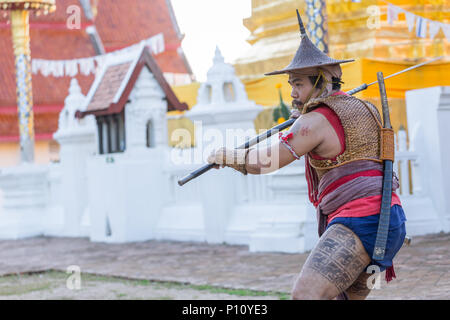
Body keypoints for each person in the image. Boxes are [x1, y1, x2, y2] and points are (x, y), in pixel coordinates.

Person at [207, 11, 406, 300]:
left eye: (299, 83)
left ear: (322, 81)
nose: (293, 92)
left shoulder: (312, 122)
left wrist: (227, 155)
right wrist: (305, 116)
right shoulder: (365, 109)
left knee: (305, 296)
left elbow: (264, 162)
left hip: (361, 223)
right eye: (292, 84)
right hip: (391, 224)